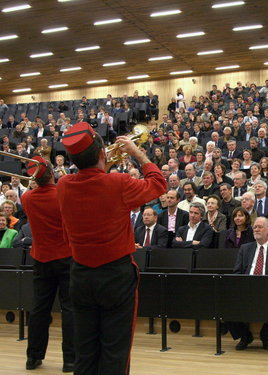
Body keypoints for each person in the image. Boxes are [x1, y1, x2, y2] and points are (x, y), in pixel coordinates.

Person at [57, 122, 168, 375]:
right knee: (115, 350)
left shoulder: (63, 185)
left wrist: (100, 161)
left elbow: (91, 177)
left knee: (85, 351)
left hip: (80, 276)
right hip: (116, 276)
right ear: (100, 154)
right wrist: (136, 153)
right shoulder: (118, 182)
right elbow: (159, 183)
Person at [20, 156, 75, 372]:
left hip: (41, 258)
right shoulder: (63, 194)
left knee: (39, 309)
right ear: (52, 173)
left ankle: (33, 357)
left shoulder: (27, 198)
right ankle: (70, 360)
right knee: (69, 309)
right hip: (65, 256)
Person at [228, 217, 268, 350]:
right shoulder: (245, 248)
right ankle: (245, 336)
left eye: (259, 227)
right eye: (255, 227)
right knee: (225, 301)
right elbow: (237, 272)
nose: (256, 229)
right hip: (246, 287)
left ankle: (265, 336)